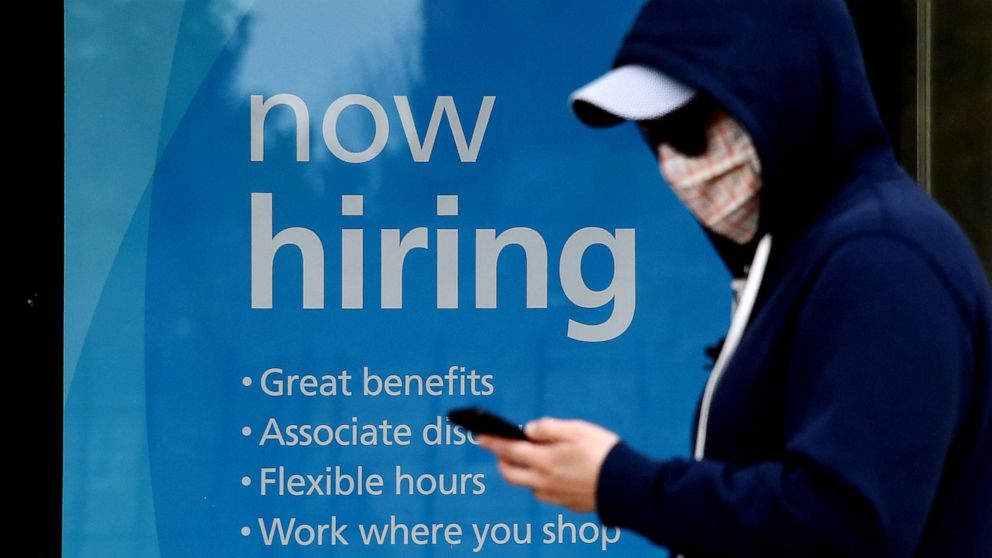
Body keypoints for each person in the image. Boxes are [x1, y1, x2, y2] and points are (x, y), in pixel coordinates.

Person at [476, 1, 992, 556]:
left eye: (689, 127)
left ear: (785, 91)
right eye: (655, 135)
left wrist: (619, 483)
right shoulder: (812, 254)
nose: (676, 161)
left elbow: (846, 525)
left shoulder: (883, 259)